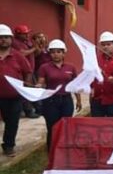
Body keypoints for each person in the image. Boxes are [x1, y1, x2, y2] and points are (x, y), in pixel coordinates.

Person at [36, 39, 81, 150]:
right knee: (52, 127)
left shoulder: (71, 67)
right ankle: (52, 150)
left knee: (66, 125)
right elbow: (41, 82)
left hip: (66, 100)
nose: (55, 54)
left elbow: (75, 85)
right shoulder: (44, 67)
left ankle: (64, 148)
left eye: (58, 52)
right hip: (51, 101)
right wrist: (38, 86)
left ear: (64, 53)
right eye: (53, 52)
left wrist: (79, 100)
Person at [0, 24, 33, 157]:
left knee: (12, 122)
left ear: (11, 39)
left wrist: (26, 87)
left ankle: (8, 145)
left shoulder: (18, 56)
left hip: (14, 97)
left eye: (6, 37)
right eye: (1, 37)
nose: (3, 40)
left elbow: (28, 71)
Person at [12, 24, 39, 118]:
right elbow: (22, 53)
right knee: (24, 91)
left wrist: (37, 46)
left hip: (30, 71)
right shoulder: (15, 42)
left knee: (31, 90)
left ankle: (28, 110)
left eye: (27, 33)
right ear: (18, 34)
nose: (27, 35)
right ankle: (27, 111)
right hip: (22, 72)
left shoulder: (26, 42)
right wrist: (34, 48)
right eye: (24, 34)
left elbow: (34, 53)